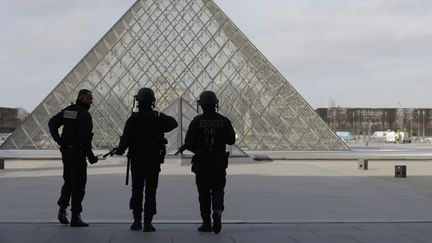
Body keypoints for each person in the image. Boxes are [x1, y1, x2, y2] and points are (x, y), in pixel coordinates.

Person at [114, 87, 178, 232]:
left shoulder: (133, 119)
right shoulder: (158, 118)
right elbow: (174, 123)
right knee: (151, 191)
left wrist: (120, 150)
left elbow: (125, 139)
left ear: (138, 101)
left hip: (137, 160)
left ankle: (136, 221)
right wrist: (159, 116)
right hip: (153, 160)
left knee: (136, 190)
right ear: (152, 101)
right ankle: (148, 223)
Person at [178, 91, 235, 234]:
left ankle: (206, 223)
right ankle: (217, 210)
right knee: (218, 190)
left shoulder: (196, 122)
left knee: (203, 194)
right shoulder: (224, 121)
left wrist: (198, 148)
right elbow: (231, 140)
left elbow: (189, 143)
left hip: (202, 164)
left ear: (201, 105)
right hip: (219, 163)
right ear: (215, 104)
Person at [48, 89, 99, 227]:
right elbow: (85, 139)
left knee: (68, 181)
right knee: (79, 185)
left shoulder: (68, 110)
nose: (91, 102)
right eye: (89, 99)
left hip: (66, 152)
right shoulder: (84, 115)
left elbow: (52, 122)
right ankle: (76, 216)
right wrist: (91, 157)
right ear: (82, 98)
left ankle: (62, 210)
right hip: (77, 153)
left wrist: (59, 140)